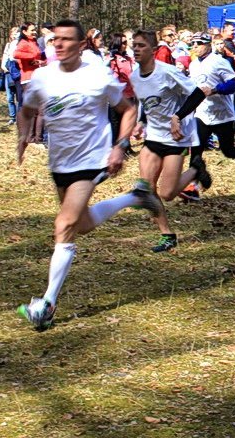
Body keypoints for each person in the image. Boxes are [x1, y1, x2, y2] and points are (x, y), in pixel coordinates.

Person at [15, 20, 153, 331]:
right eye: (54, 40)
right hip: (60, 163)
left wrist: (120, 146)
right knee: (81, 224)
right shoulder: (42, 77)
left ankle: (47, 305)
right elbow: (26, 110)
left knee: (63, 225)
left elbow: (128, 110)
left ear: (80, 46)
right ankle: (135, 197)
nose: (59, 45)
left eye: (66, 40)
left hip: (92, 160)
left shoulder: (97, 75)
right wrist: (23, 135)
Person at [128, 30, 211, 249]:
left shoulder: (168, 72)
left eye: (141, 46)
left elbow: (198, 94)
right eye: (133, 45)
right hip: (154, 136)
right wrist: (140, 122)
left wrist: (177, 117)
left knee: (168, 193)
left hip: (176, 138)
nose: (136, 49)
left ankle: (195, 170)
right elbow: (148, 103)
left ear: (154, 50)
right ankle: (167, 235)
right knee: (148, 189)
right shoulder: (134, 76)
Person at [188, 34, 235, 184]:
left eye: (198, 43)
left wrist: (215, 90)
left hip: (223, 115)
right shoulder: (193, 65)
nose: (194, 46)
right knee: (196, 150)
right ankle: (193, 186)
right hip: (202, 114)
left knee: (228, 150)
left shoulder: (219, 62)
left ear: (208, 44)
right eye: (192, 43)